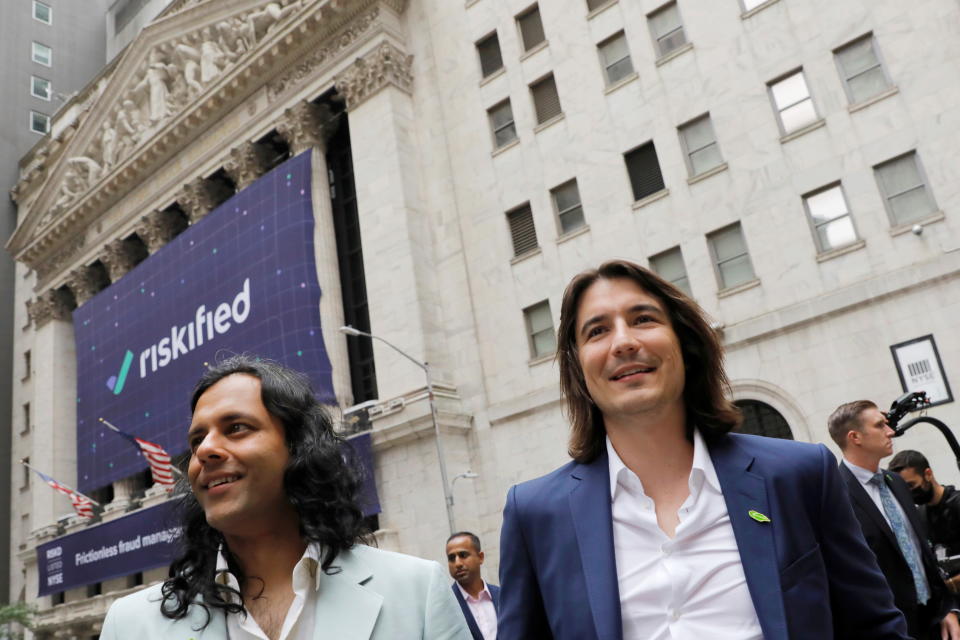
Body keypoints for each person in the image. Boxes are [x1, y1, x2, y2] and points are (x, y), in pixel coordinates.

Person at [498, 259, 908, 640]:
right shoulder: (534, 514)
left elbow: (875, 628)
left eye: (643, 319)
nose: (623, 342)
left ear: (685, 344)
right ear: (578, 366)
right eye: (597, 330)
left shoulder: (800, 474)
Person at [100, 355, 470, 640]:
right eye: (197, 439)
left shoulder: (416, 592)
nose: (206, 450)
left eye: (237, 428)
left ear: (298, 448)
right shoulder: (131, 625)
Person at [829, 401, 960, 640]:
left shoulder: (896, 482)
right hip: (888, 629)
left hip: (935, 622)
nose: (890, 431)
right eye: (880, 425)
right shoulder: (835, 495)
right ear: (855, 437)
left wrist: (948, 608)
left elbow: (921, 552)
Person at [890, 450, 960, 570]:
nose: (908, 493)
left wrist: (953, 583)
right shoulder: (919, 515)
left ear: (928, 474)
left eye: (911, 485)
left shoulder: (957, 503)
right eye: (903, 488)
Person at [446, 532, 500, 640]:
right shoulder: (446, 605)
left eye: (463, 555)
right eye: (451, 558)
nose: (457, 563)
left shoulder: (503, 596)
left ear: (480, 557)